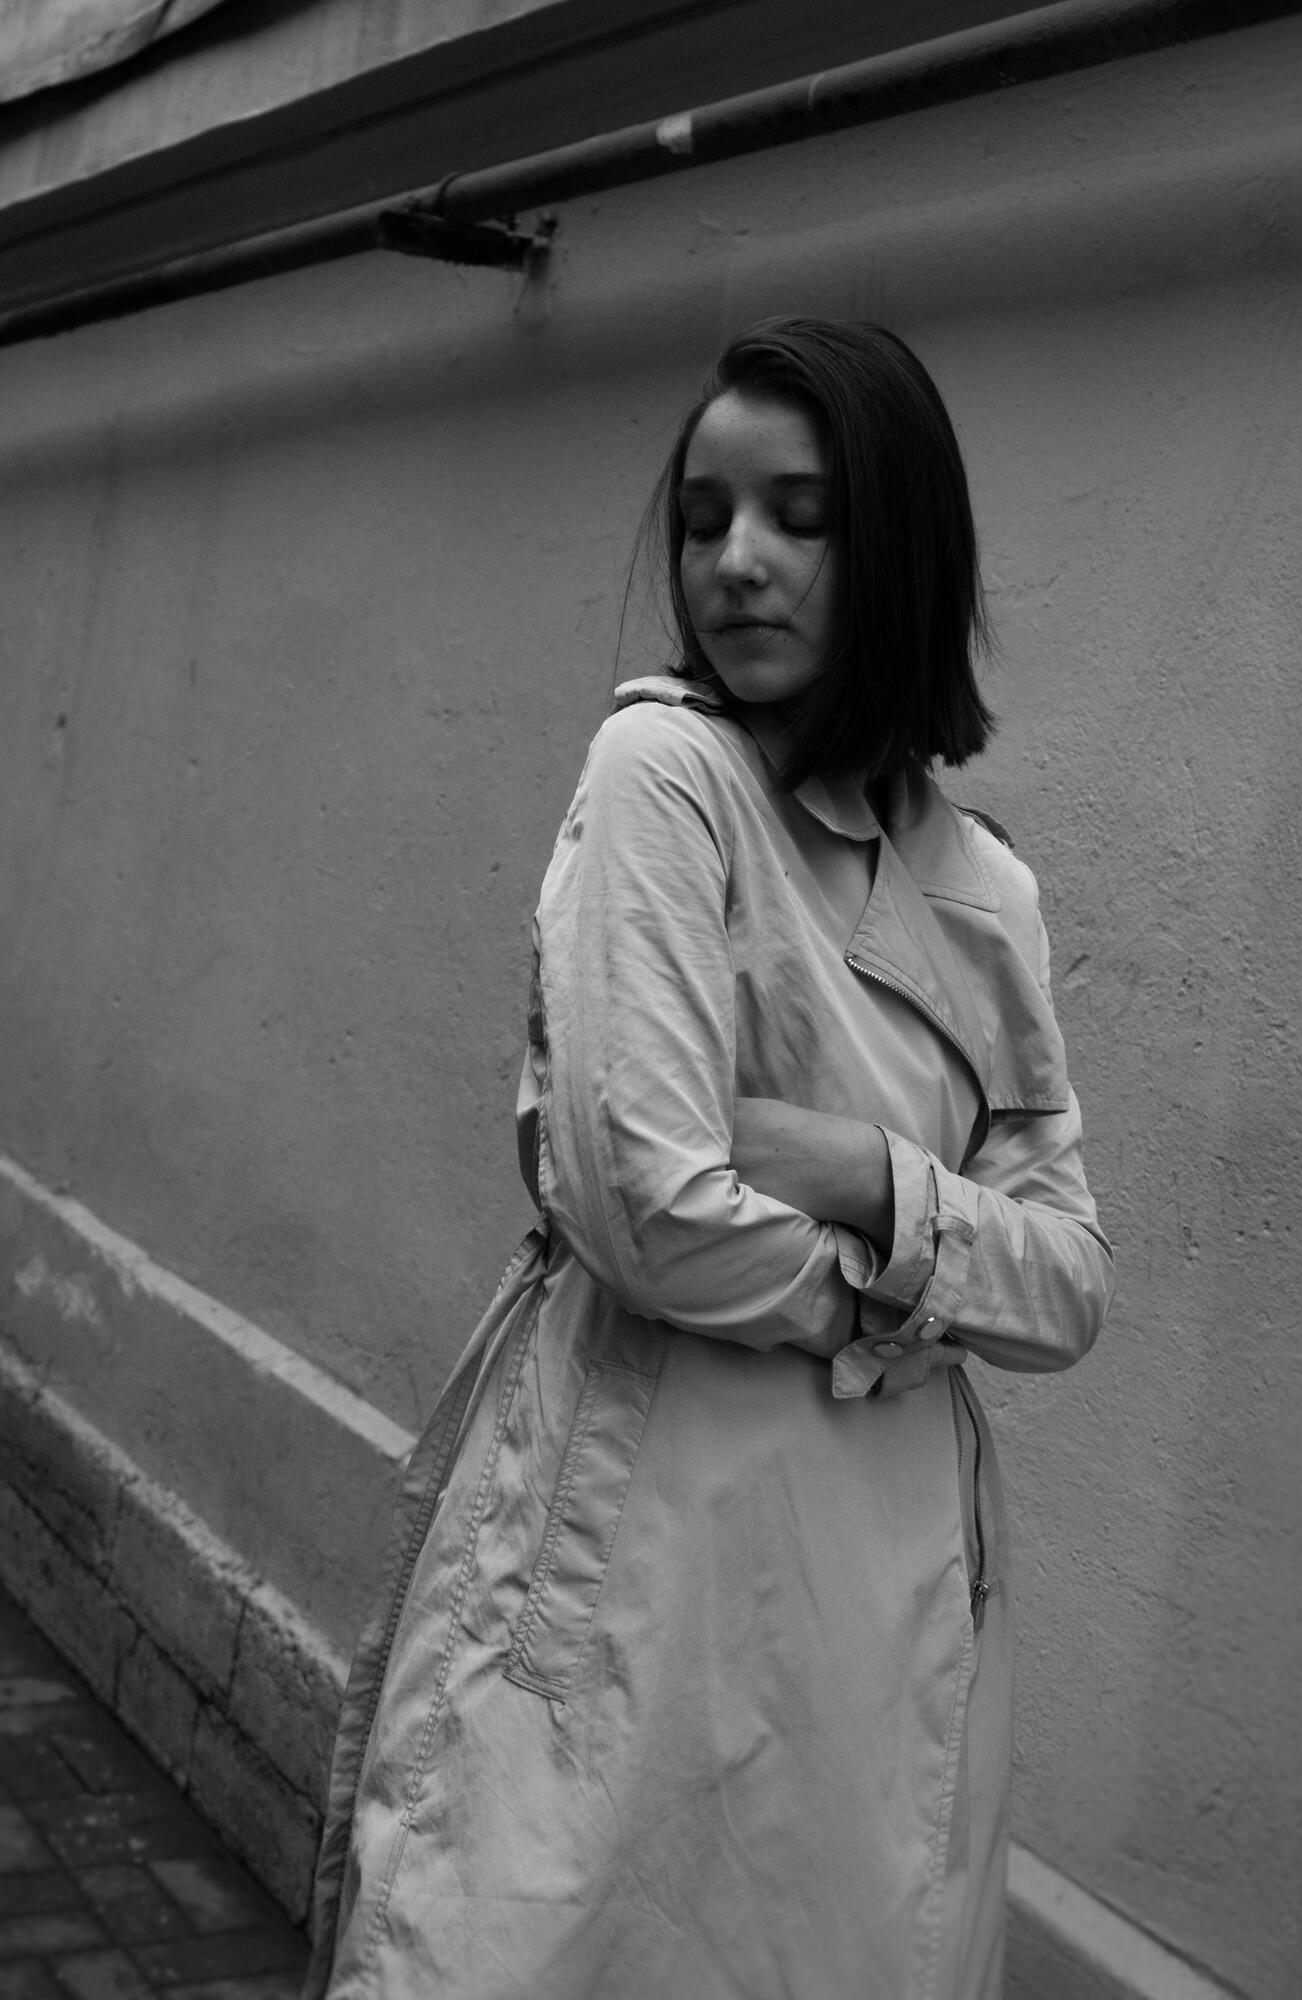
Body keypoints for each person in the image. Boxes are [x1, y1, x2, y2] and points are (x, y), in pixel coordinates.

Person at [304, 317, 1115, 2000]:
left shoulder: (989, 889)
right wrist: (922, 1288)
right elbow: (654, 1213)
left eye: (800, 517)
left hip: (890, 1585)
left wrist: (858, 1172)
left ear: (899, 547)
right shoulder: (665, 772)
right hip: (648, 1535)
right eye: (702, 518)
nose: (736, 561)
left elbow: (1070, 1284)